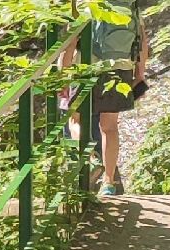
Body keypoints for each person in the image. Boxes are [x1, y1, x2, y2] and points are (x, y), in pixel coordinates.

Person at [63, 0, 149, 195]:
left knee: (74, 119)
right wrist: (140, 74)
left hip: (89, 69)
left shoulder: (86, 5)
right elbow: (142, 42)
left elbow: (71, 41)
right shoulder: (129, 6)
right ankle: (109, 183)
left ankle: (91, 158)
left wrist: (64, 74)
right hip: (121, 70)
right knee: (109, 127)